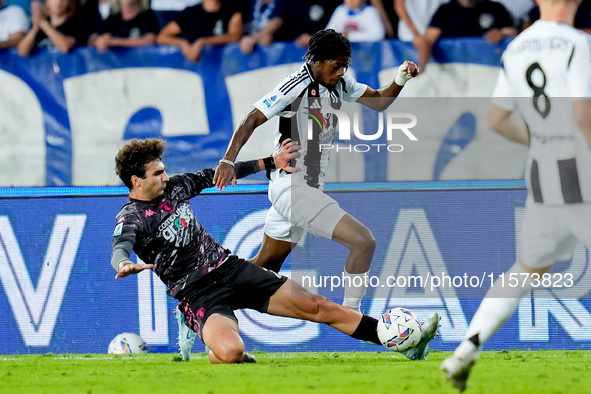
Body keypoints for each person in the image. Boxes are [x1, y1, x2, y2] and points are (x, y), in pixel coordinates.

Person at [211, 28, 440, 358]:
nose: (341, 72)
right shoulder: (295, 85)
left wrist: (401, 78)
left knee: (258, 273)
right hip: (292, 186)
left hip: (305, 189)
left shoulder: (340, 83)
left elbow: (379, 101)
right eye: (336, 65)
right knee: (363, 241)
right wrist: (227, 160)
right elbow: (250, 119)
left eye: (345, 65)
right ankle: (358, 322)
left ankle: (200, 309)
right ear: (316, 62)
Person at [111, 138, 440, 364]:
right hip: (198, 295)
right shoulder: (131, 218)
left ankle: (400, 344)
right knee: (231, 353)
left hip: (231, 269)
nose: (166, 177)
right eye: (157, 174)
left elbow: (221, 174)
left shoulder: (177, 186)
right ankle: (207, 336)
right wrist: (123, 262)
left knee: (317, 306)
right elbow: (120, 247)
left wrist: (272, 161)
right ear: (136, 181)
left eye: (164, 170)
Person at [441, 0, 591, 391]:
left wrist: (541, 141)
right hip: (582, 174)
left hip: (542, 177)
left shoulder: (516, 47)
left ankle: (466, 348)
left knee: (526, 269)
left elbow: (497, 120)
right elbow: (583, 115)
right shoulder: (578, 43)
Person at [416, 0, 517, 70]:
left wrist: (501, 34)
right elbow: (428, 39)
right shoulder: (445, 11)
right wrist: (422, 62)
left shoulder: (496, 8)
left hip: (487, 73)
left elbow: (514, 33)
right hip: (453, 75)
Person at [155, 0, 242, 62]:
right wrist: (183, 44)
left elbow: (235, 36)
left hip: (225, 65)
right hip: (196, 68)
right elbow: (161, 37)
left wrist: (202, 42)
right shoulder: (190, 12)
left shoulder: (232, 11)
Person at [17, 0, 91, 56]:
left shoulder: (78, 22)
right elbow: (22, 51)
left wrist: (43, 23)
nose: (59, 2)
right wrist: (35, 29)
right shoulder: (38, 27)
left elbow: (65, 46)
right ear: (47, 1)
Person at [89, 0, 158, 52]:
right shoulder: (113, 18)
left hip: (142, 66)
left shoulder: (147, 16)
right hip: (116, 69)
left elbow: (149, 40)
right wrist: (98, 41)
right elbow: (93, 37)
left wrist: (114, 42)